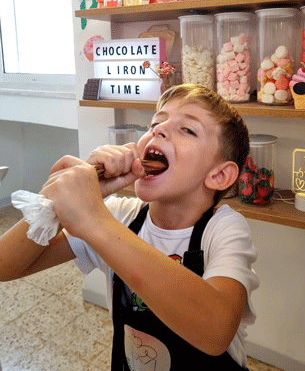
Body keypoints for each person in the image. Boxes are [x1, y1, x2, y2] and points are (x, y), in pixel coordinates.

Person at [0, 84, 258, 370]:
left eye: (188, 130)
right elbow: (4, 265)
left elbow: (216, 332)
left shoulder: (223, 229)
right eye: (156, 123)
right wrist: (54, 208)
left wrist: (93, 219)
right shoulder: (119, 216)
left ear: (220, 175)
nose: (158, 131)